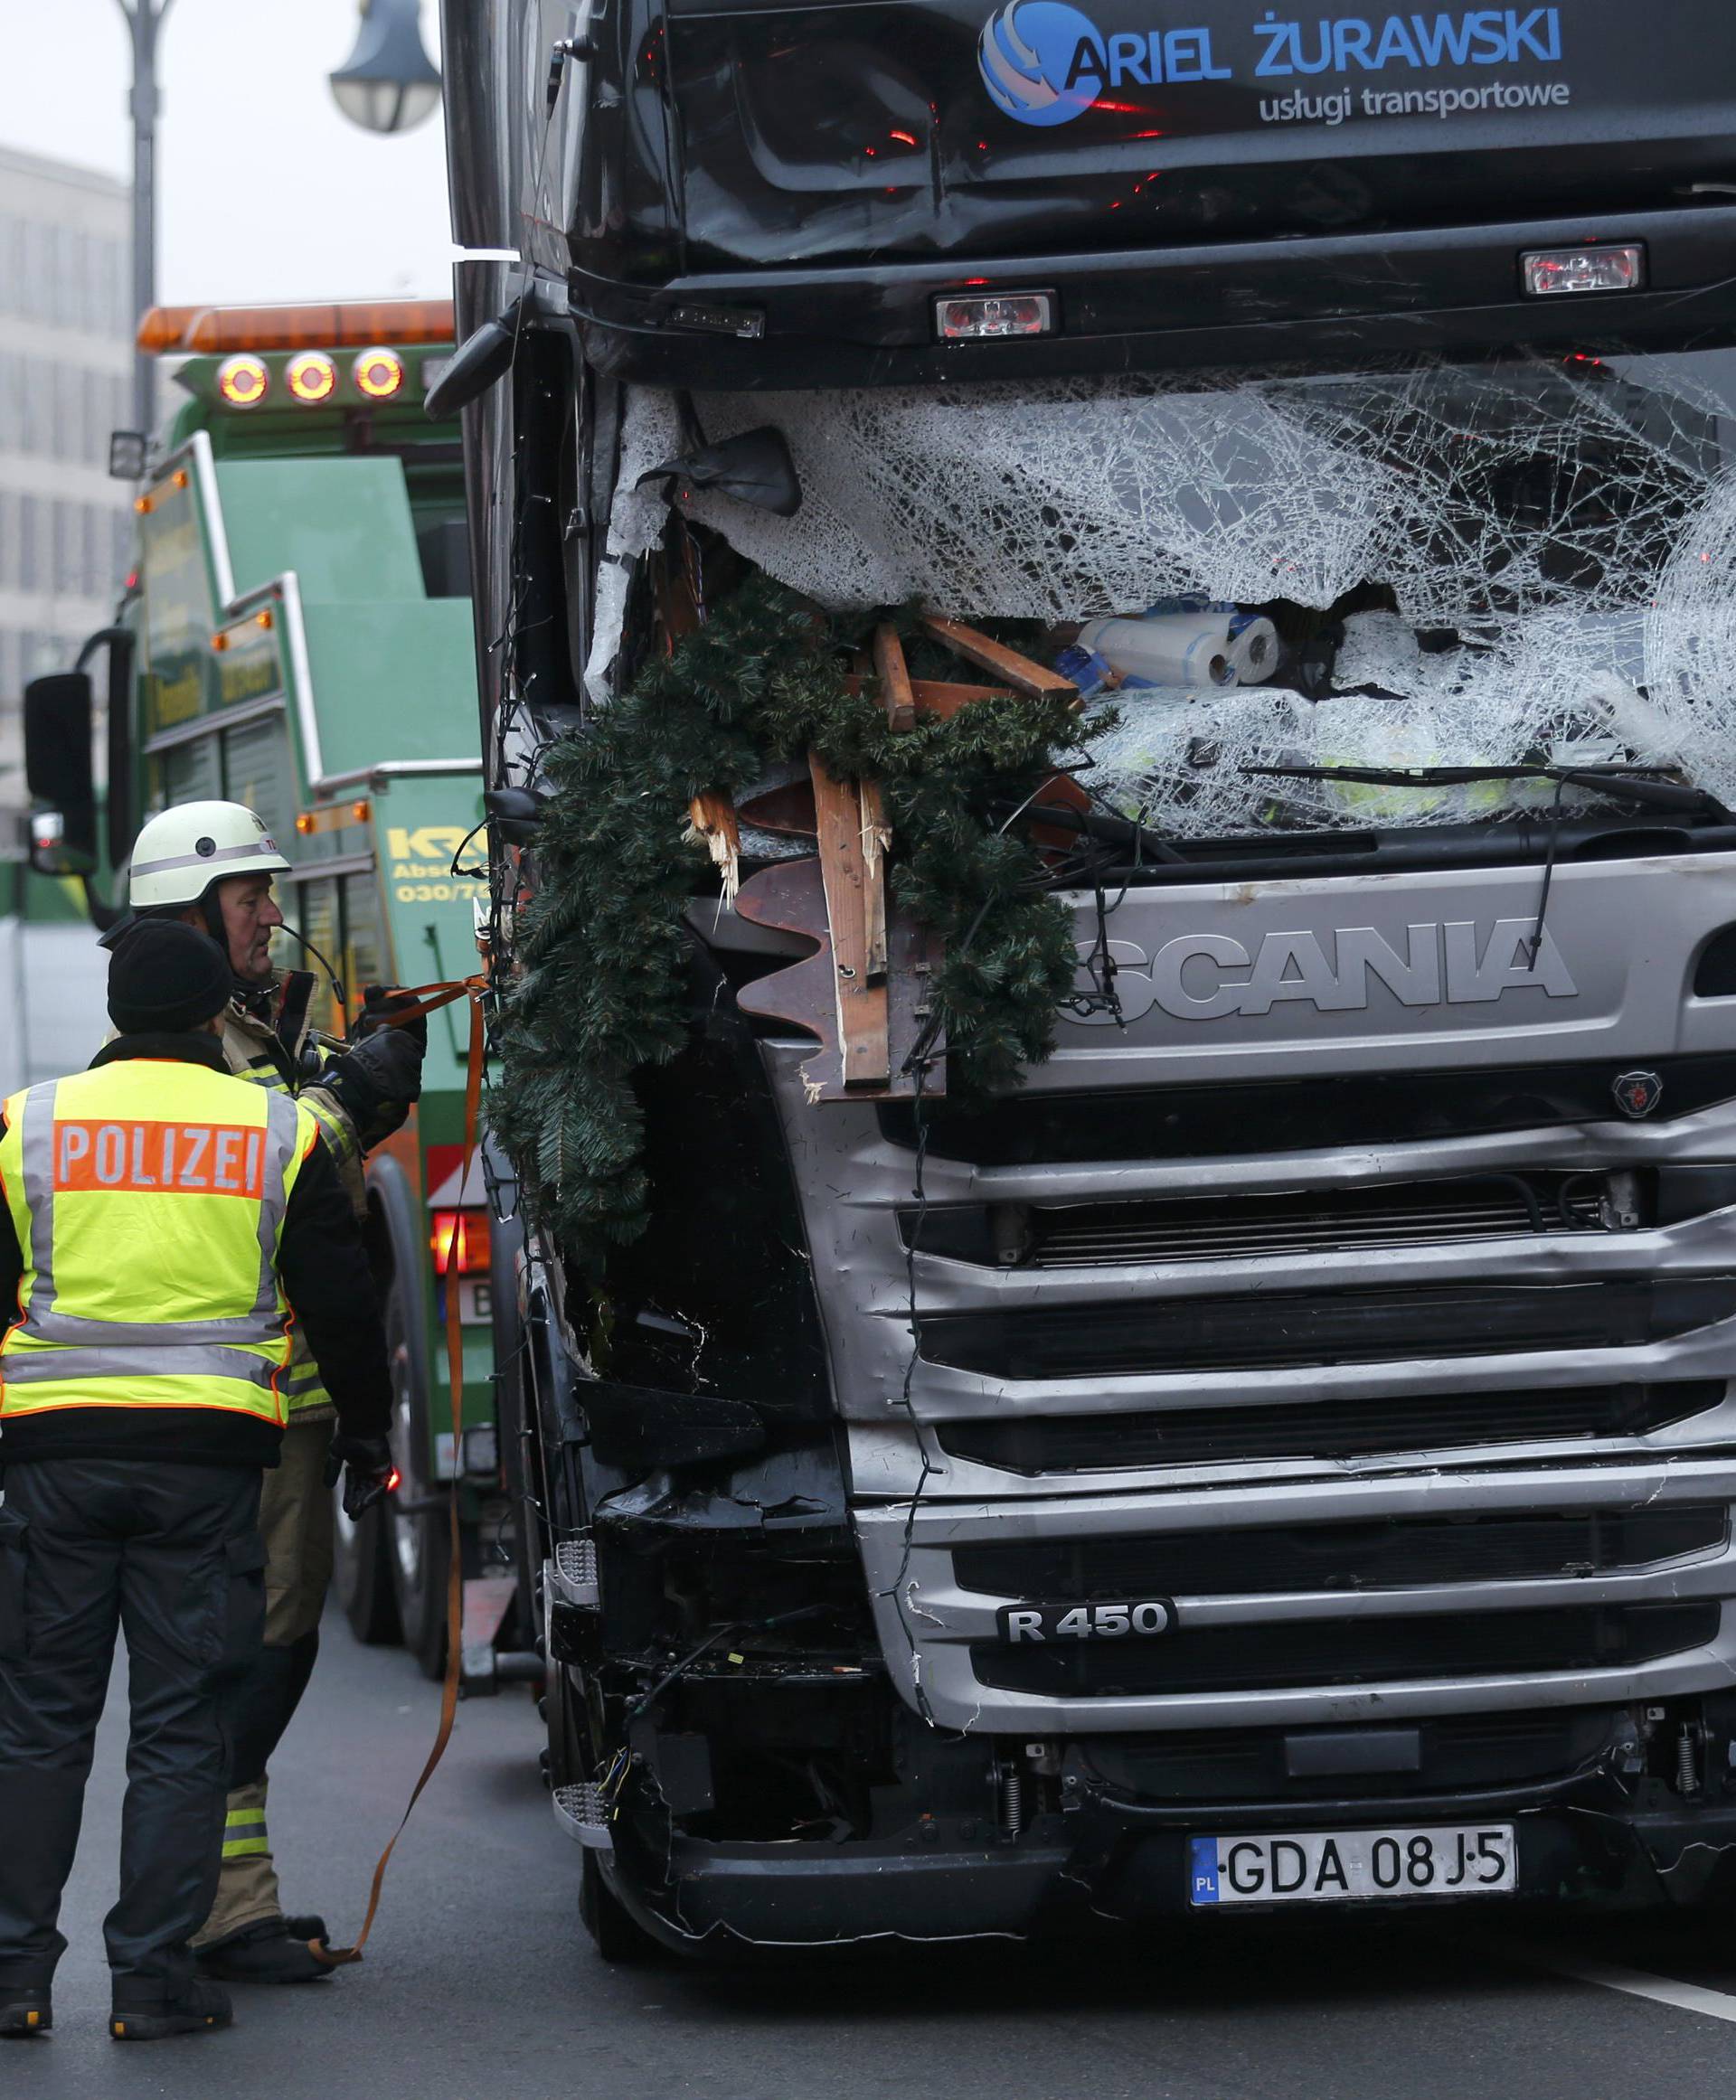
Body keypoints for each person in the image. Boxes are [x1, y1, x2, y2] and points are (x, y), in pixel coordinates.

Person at [0, 921, 393, 2041]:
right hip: (205, 1471)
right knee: (179, 1727)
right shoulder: (274, 1131)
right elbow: (340, 1304)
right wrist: (369, 1442)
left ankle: (13, 1978)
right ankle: (150, 1979)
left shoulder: (31, 1125)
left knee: (36, 1725)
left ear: (119, 1010)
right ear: (220, 1008)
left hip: (52, 1467)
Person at [114, 799, 425, 1984]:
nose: (269, 914)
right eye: (247, 896)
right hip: (231, 1404)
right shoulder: (189, 1042)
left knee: (274, 1643)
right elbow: (269, 1161)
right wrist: (357, 1097)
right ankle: (205, 1902)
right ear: (187, 915)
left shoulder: (253, 1022)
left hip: (277, 1398)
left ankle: (233, 1897)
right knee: (241, 1653)